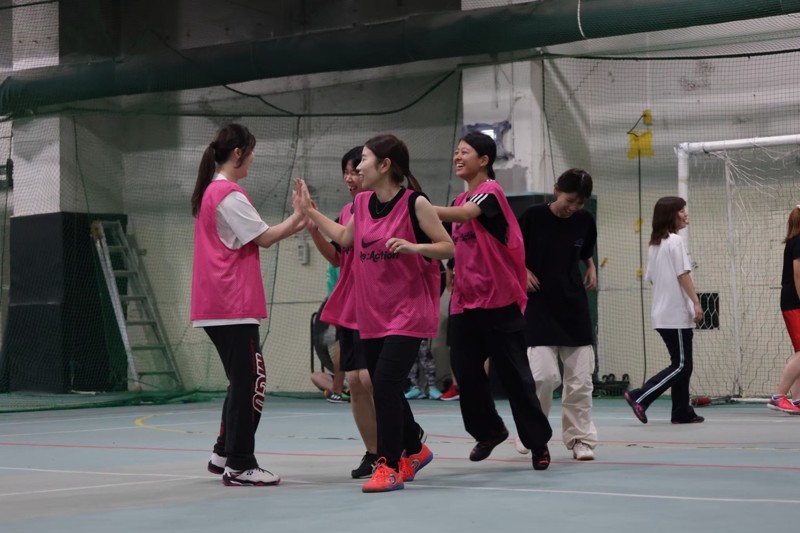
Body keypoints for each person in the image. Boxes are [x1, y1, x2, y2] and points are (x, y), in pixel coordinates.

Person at [296, 134, 454, 492]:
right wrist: (310, 211)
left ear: (385, 166)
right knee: (385, 386)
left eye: (364, 160)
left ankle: (389, 465)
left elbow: (449, 247)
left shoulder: (416, 204)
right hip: (373, 315)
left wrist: (416, 247)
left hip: (408, 314)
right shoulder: (362, 203)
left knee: (382, 383)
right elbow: (346, 239)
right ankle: (415, 449)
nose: (358, 167)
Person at [190, 123, 306, 486]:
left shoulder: (211, 192)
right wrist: (302, 216)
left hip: (217, 305)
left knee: (240, 381)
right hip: (231, 305)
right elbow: (267, 237)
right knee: (251, 382)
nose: (253, 157)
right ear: (238, 153)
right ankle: (240, 464)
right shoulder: (228, 194)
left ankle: (224, 452)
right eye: (251, 150)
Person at [434, 131, 553, 470]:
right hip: (465, 303)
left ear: (483, 160)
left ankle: (537, 442)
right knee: (466, 375)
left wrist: (421, 206)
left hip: (499, 301)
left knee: (516, 377)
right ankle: (489, 431)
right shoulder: (458, 202)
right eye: (456, 152)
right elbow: (459, 244)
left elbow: (467, 216)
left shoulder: (490, 193)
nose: (458, 157)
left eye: (465, 152)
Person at [307, 146, 379, 477]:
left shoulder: (387, 207)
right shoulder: (347, 211)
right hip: (351, 305)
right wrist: (313, 231)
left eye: (355, 169)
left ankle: (403, 441)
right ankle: (374, 452)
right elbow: (339, 256)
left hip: (378, 306)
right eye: (345, 172)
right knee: (354, 379)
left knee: (371, 378)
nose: (350, 178)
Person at [517, 168, 598, 461]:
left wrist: (589, 266)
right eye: (570, 200)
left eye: (580, 203)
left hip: (574, 308)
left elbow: (583, 248)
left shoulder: (585, 220)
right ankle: (532, 431)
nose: (574, 207)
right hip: (538, 306)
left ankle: (580, 440)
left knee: (580, 380)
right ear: (556, 190)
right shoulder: (532, 216)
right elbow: (508, 250)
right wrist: (522, 270)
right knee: (544, 377)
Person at [624, 196, 705, 425]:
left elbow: (651, 278)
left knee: (682, 364)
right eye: (681, 211)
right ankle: (640, 396)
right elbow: (682, 274)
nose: (685, 214)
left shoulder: (656, 244)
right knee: (681, 365)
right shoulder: (675, 242)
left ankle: (681, 411)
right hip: (675, 314)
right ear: (671, 215)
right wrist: (695, 302)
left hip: (662, 314)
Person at [767, 205, 800, 414]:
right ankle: (779, 396)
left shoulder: (795, 240)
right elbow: (798, 274)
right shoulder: (799, 241)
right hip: (794, 302)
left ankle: (797, 399)